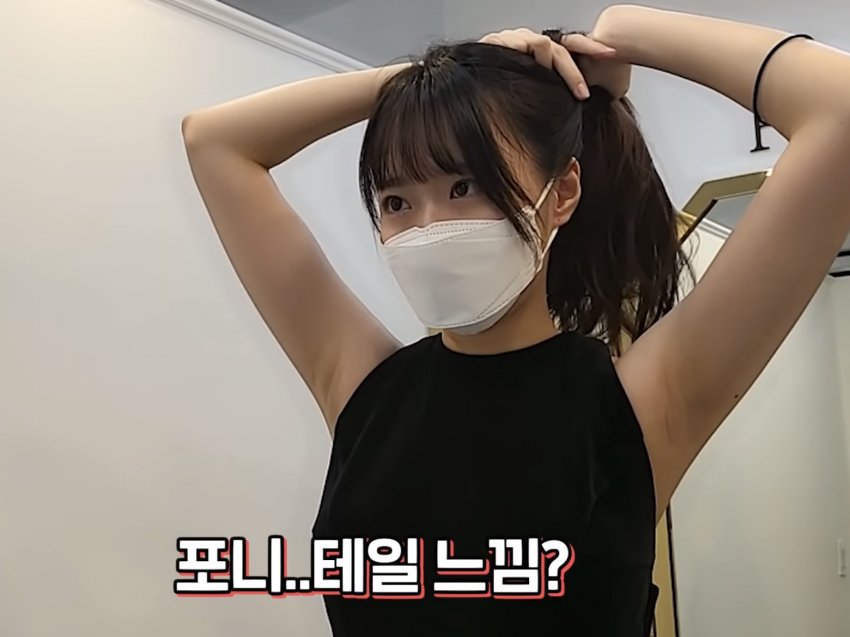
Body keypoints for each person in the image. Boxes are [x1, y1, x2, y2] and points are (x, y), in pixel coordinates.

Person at [181, 4, 850, 636]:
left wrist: (623, 30)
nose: (428, 227)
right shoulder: (365, 390)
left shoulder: (641, 404)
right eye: (396, 202)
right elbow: (214, 141)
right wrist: (435, 81)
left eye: (464, 187)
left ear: (562, 193)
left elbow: (838, 109)